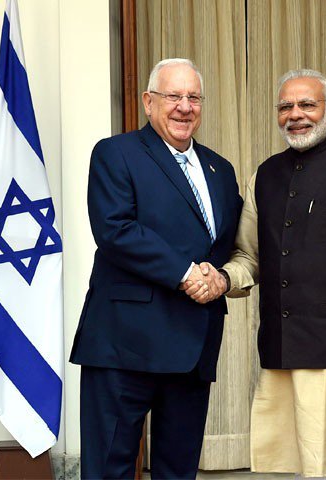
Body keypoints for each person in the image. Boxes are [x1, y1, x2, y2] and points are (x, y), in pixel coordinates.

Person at [184, 69, 326, 479]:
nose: (296, 115)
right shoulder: (265, 175)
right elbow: (248, 256)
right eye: (285, 106)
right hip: (282, 355)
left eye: (307, 104)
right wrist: (221, 279)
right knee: (285, 469)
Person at [69, 58, 243, 479]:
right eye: (174, 96)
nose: (185, 107)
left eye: (194, 97)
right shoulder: (116, 153)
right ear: (149, 102)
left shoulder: (221, 170)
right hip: (124, 346)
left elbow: (230, 243)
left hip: (193, 348)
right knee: (109, 470)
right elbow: (115, 230)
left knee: (178, 472)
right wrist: (187, 274)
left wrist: (221, 278)